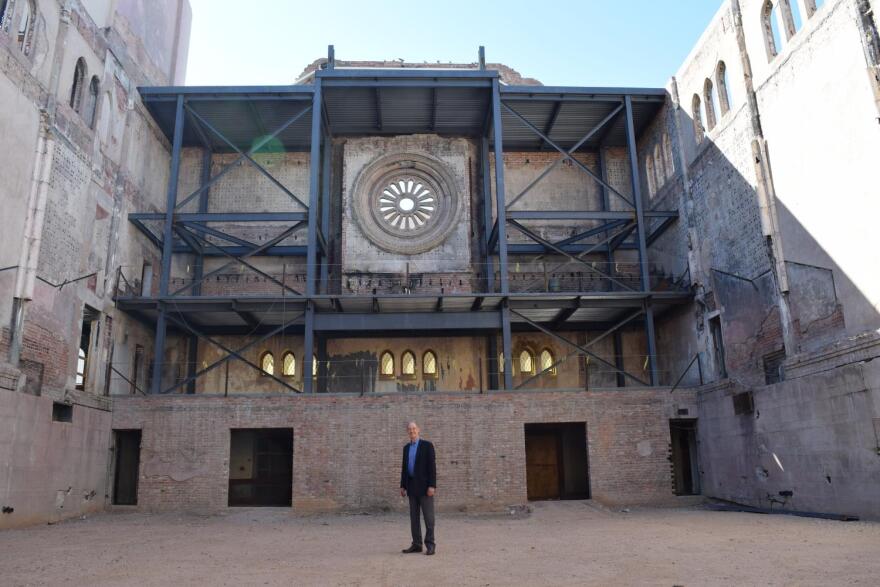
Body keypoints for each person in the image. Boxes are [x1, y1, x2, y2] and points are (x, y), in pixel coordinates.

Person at [399, 421, 436, 555]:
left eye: (414, 428)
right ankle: (416, 544)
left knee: (428, 518)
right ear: (407, 432)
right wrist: (402, 486)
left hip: (425, 488)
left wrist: (432, 485)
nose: (412, 431)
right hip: (411, 488)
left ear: (418, 430)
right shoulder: (406, 448)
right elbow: (404, 468)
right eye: (409, 429)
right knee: (414, 518)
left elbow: (432, 467)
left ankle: (430, 545)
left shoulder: (427, 446)